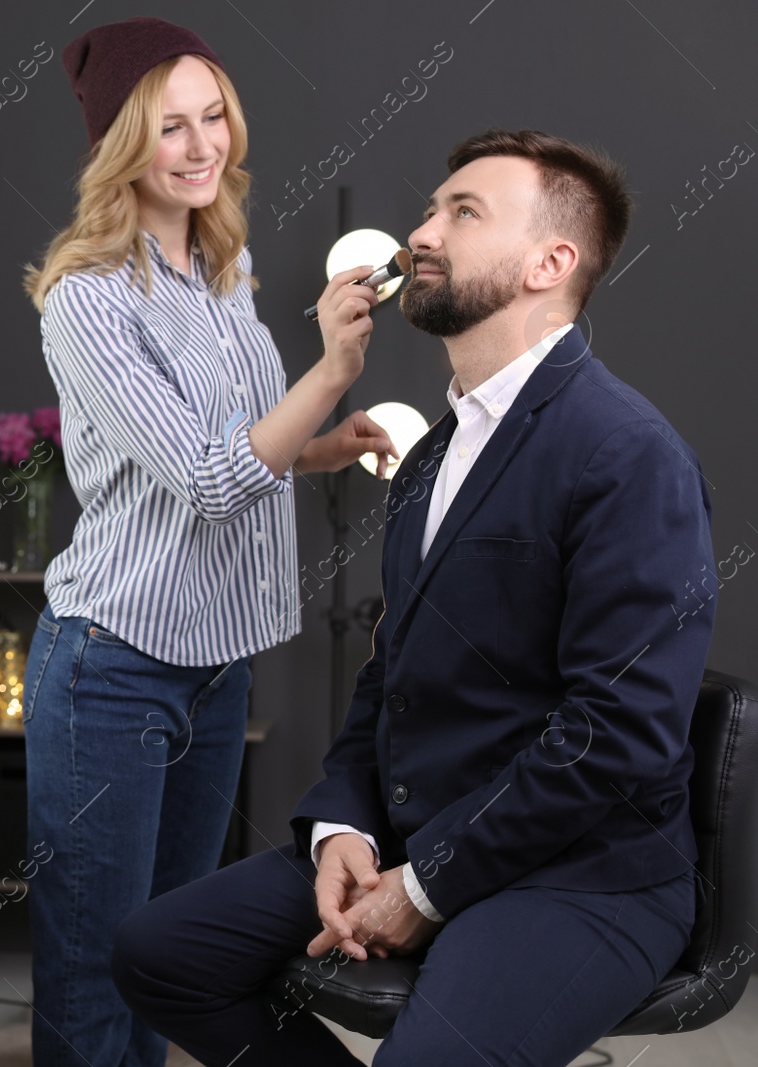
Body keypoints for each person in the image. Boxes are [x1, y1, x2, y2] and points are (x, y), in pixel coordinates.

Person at [111, 127, 717, 1067]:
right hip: (413, 828)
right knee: (158, 954)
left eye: (462, 213)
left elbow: (622, 728)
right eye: (434, 208)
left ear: (550, 261)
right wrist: (343, 826)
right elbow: (389, 674)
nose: (421, 233)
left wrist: (426, 884)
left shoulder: (628, 454)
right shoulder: (429, 452)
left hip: (586, 875)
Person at [20, 17, 397, 1066]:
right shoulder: (84, 299)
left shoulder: (222, 274)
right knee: (97, 974)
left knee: (162, 958)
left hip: (214, 666)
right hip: (111, 667)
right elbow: (208, 476)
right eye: (166, 128)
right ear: (119, 148)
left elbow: (236, 442)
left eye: (211, 117)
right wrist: (329, 369)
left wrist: (322, 446)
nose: (198, 147)